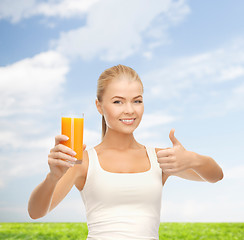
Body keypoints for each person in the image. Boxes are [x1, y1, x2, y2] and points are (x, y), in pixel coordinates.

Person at [28, 64, 224, 240]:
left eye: (137, 101)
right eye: (118, 102)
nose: (130, 110)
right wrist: (52, 177)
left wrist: (193, 159)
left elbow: (216, 176)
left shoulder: (159, 159)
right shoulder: (83, 161)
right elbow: (36, 212)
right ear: (99, 106)